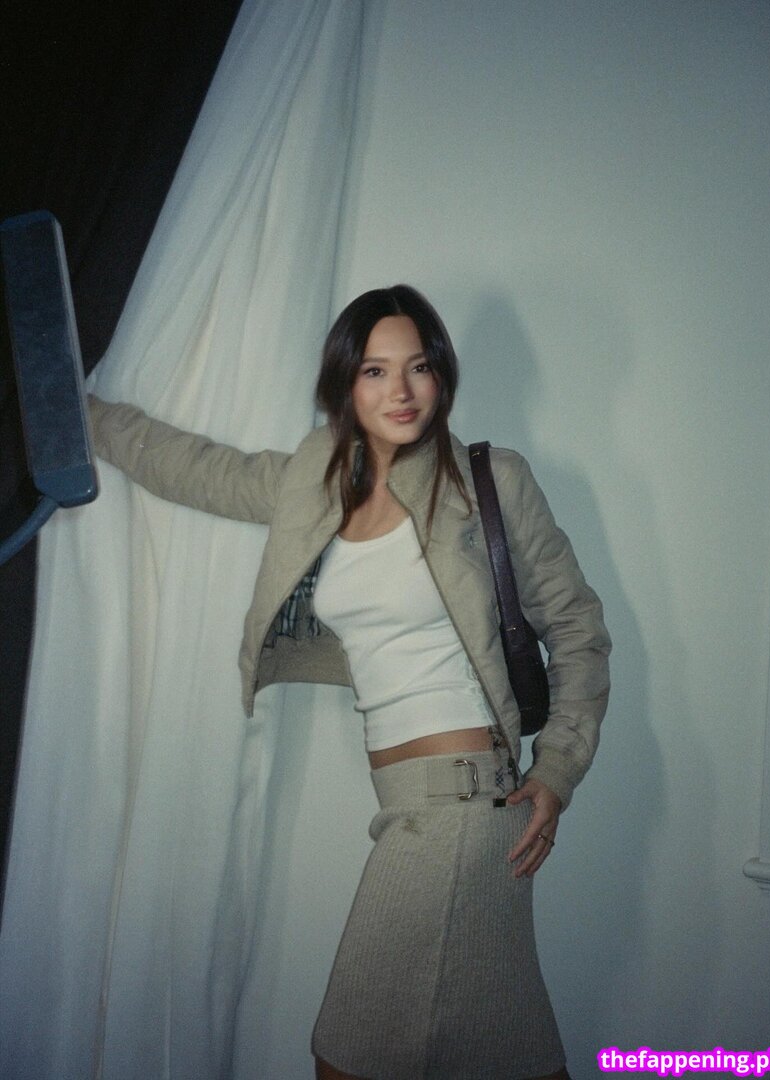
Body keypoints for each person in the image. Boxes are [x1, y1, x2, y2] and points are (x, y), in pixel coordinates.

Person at [89, 284, 611, 1080]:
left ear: (442, 375)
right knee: (508, 1053)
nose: (401, 390)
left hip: (461, 810)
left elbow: (577, 628)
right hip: (415, 808)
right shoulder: (317, 481)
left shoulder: (487, 482)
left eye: (419, 366)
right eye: (375, 370)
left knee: (346, 1056)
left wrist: (559, 769)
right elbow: (197, 469)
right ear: (345, 383)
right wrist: (83, 414)